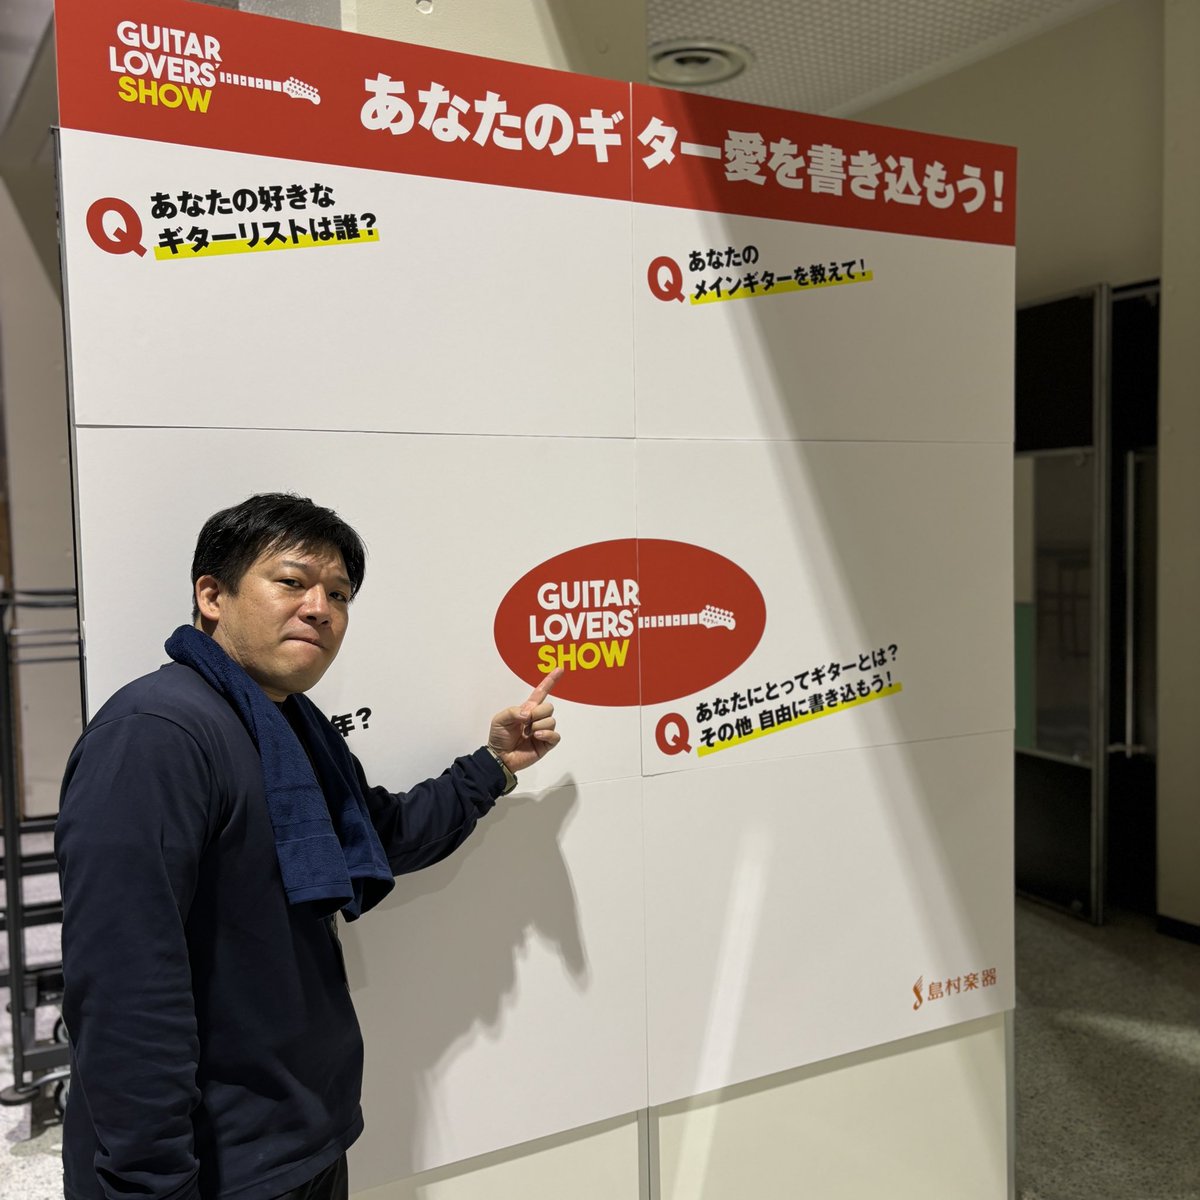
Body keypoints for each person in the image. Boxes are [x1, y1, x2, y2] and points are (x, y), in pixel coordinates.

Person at [55, 493, 562, 1200]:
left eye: (339, 594)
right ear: (212, 595)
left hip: (301, 1138)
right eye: (292, 582)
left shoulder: (288, 725)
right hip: (210, 1169)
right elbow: (124, 988)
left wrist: (493, 765)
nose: (320, 608)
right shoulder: (156, 735)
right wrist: (150, 1183)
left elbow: (378, 835)